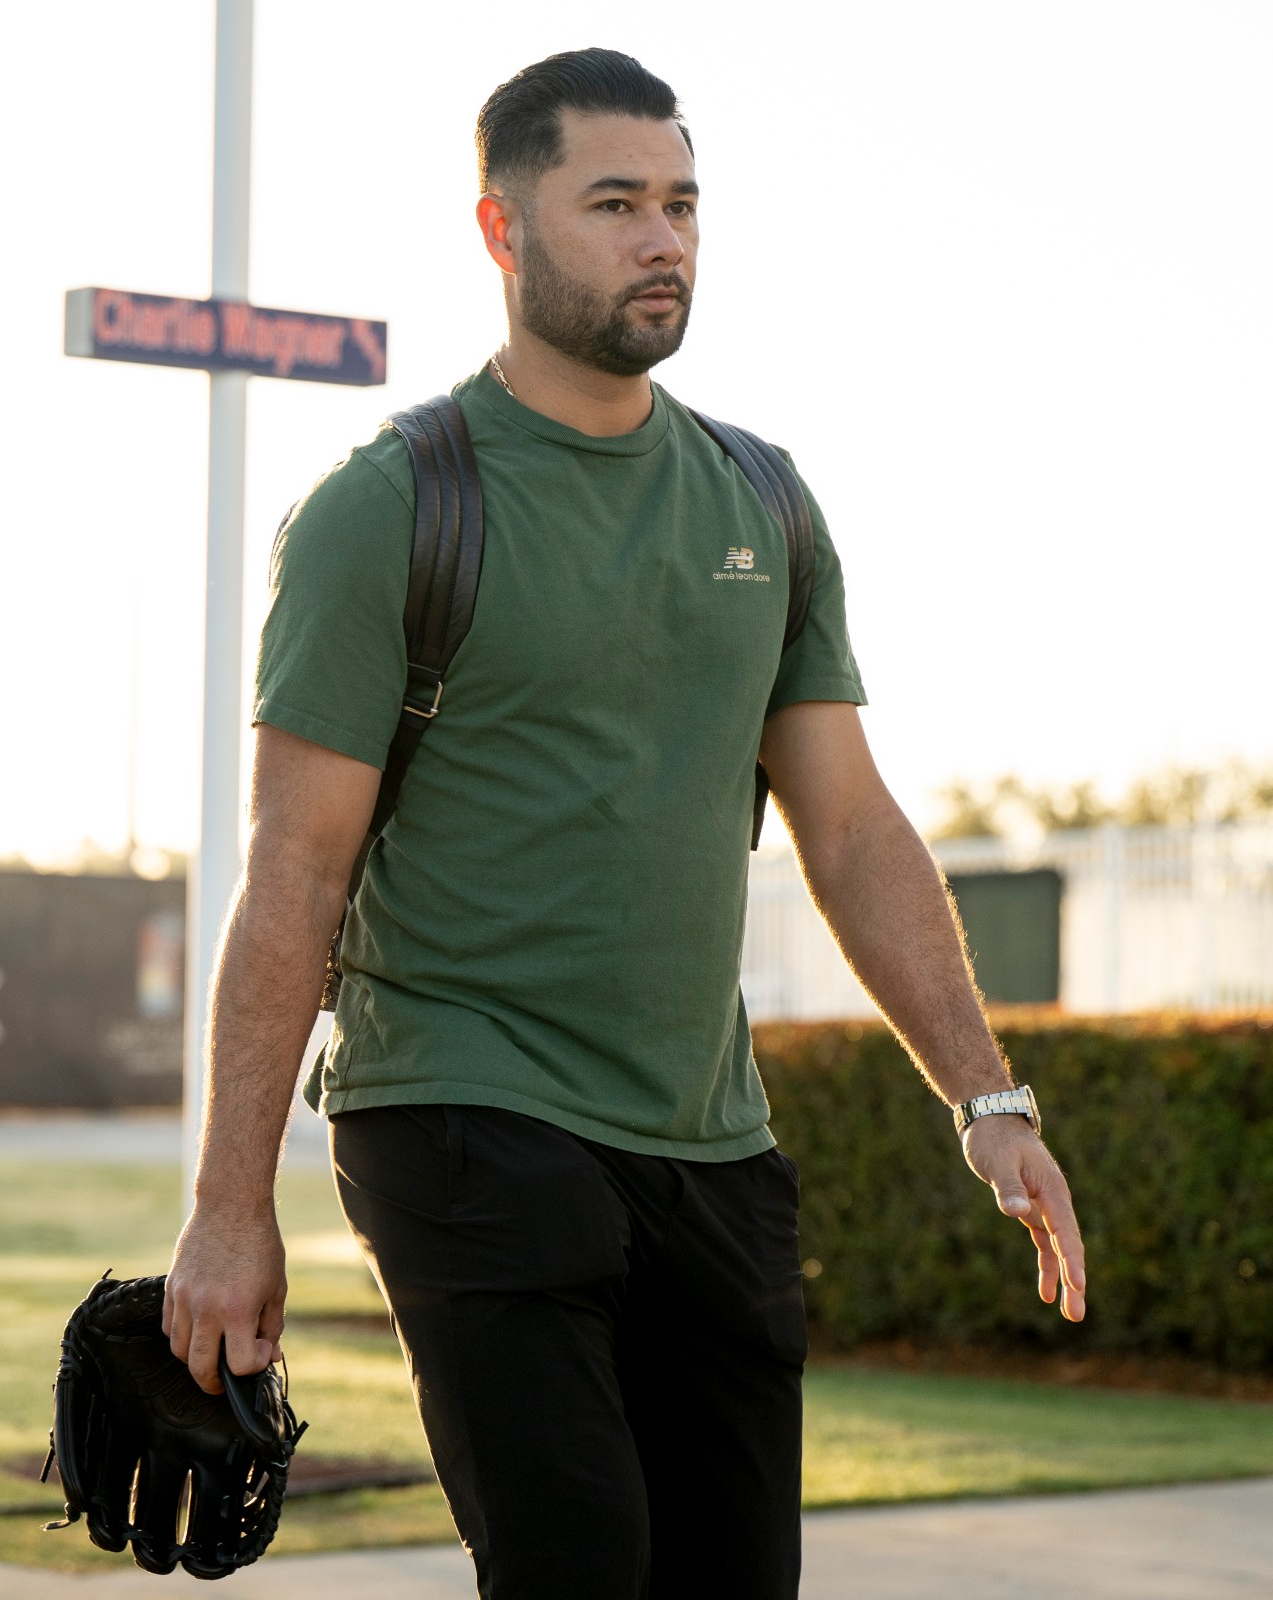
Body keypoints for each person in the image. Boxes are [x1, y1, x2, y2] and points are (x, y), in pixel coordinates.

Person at [161, 46, 1088, 1600]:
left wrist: (986, 1099)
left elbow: (850, 828)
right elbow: (294, 877)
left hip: (709, 1140)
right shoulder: (391, 507)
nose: (664, 241)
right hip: (462, 1113)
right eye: (614, 205)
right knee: (579, 1570)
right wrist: (224, 1206)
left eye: (681, 205)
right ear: (501, 230)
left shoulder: (761, 502)